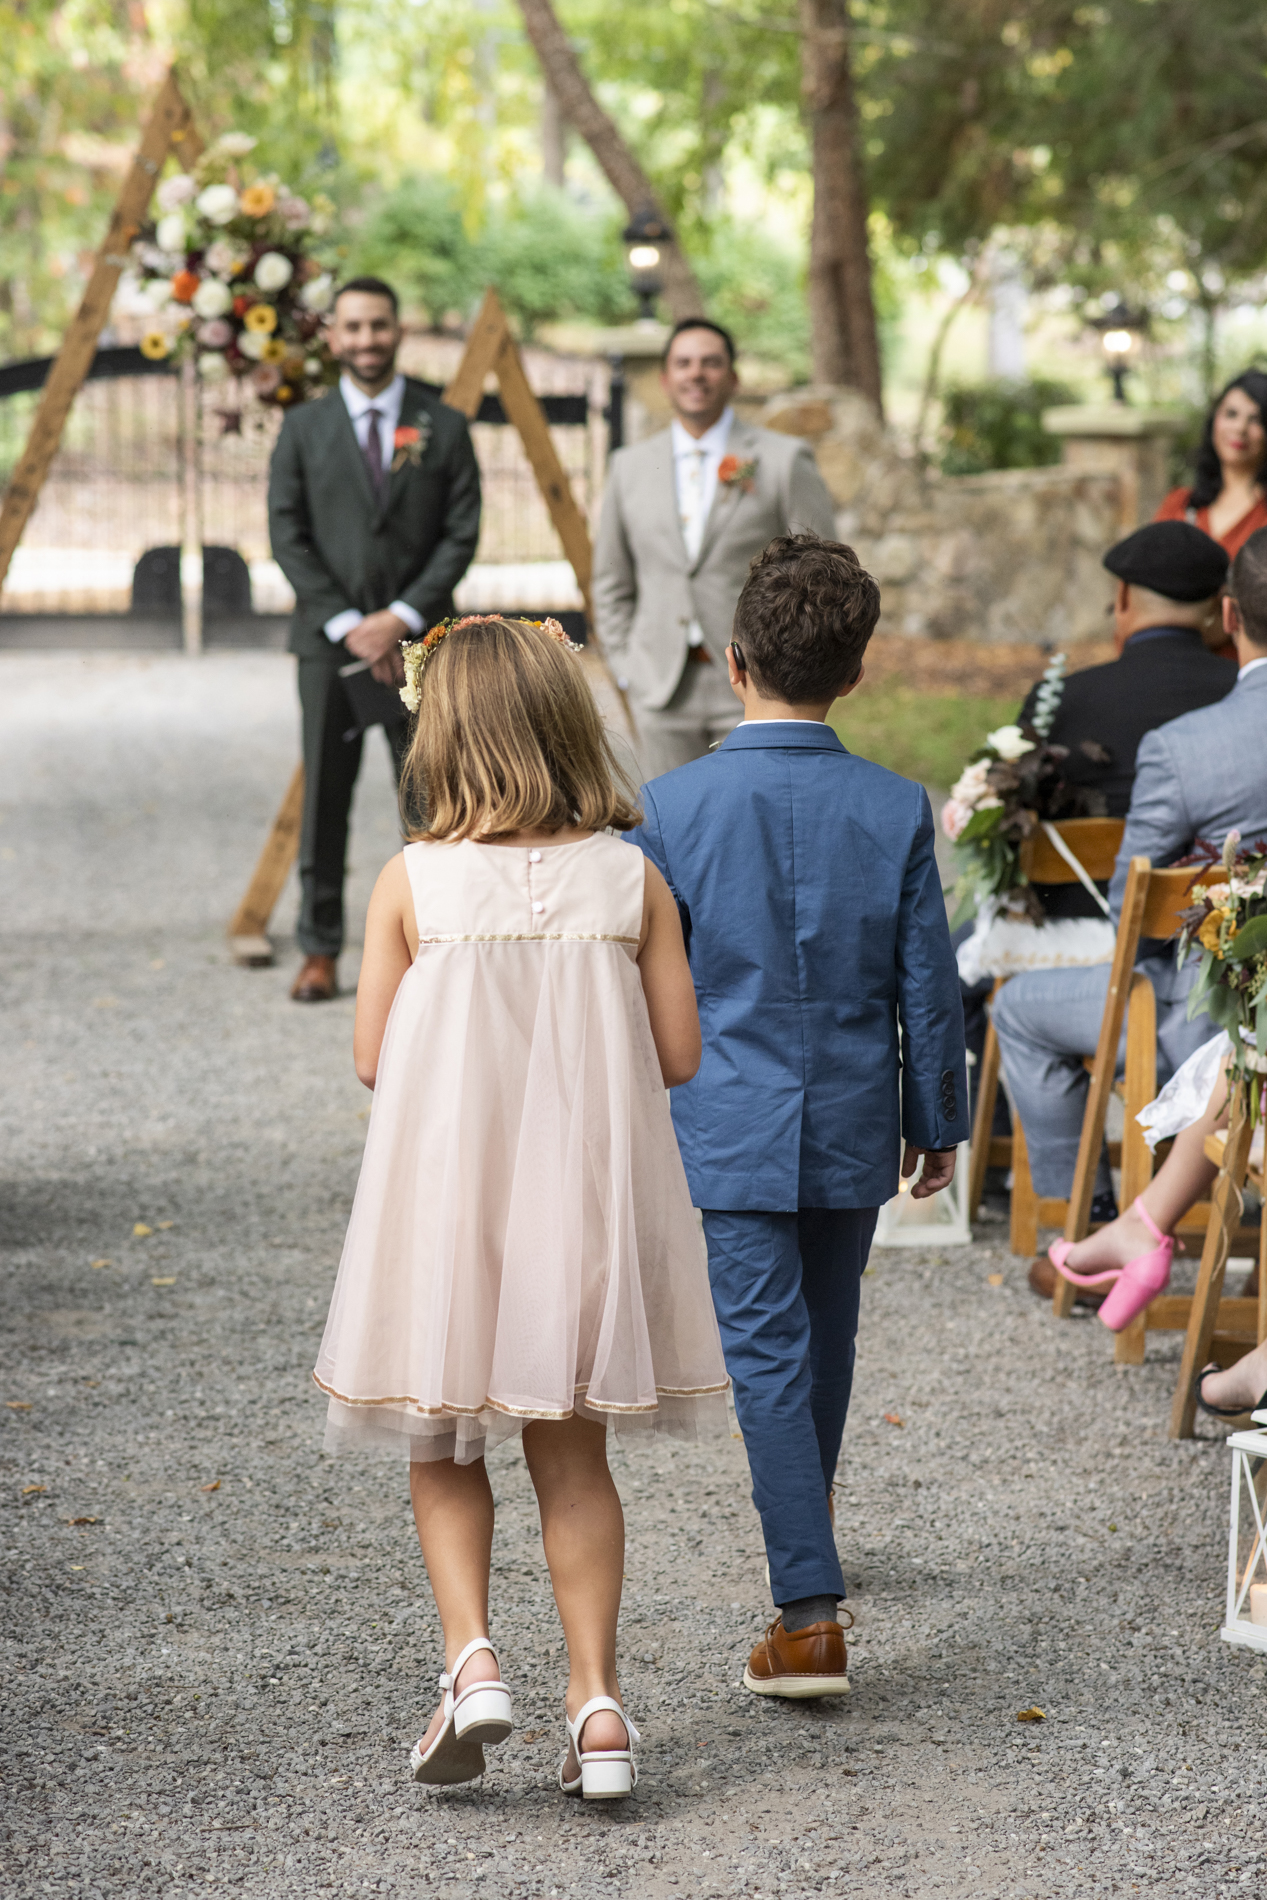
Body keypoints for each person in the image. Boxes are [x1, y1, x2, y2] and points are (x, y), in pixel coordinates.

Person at [312, 615, 728, 1797]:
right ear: (565, 720)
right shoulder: (628, 875)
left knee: (443, 1435)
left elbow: (371, 1055)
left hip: (452, 1204)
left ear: (440, 732)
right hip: (580, 1205)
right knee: (574, 1452)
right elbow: (681, 1053)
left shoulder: (414, 879)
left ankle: (472, 1657)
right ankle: (596, 1706)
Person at [628, 535, 969, 1697]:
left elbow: (643, 981)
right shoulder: (892, 804)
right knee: (825, 1338)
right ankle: (805, 1550)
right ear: (857, 671)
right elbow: (928, 979)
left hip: (723, 1113)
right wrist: (937, 1114)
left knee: (767, 1352)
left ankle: (809, 1607)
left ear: (732, 662)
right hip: (851, 1114)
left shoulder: (668, 808)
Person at [996, 527, 1267, 1304]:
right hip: (1247, 1033)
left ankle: (1093, 1222)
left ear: (1230, 613)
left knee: (1015, 1009)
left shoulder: (1184, 748)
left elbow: (1131, 915)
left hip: (1200, 1020)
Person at [268, 276, 481, 1004]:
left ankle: (435, 941)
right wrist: (349, 627)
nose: (366, 340)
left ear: (398, 330)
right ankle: (320, 947)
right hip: (329, 648)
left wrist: (399, 616)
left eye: (378, 326)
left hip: (421, 644)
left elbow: (460, 533)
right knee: (325, 793)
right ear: (333, 336)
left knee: (430, 793)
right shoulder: (303, 428)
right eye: (352, 328)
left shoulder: (442, 425)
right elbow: (286, 534)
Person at [591, 319, 837, 778]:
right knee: (670, 828)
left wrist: (789, 670)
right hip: (660, 687)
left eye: (710, 363)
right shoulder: (628, 468)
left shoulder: (783, 460)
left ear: (733, 378)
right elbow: (610, 578)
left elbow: (823, 575)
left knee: (751, 824)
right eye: (683, 363)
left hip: (760, 684)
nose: (696, 374)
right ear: (665, 380)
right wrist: (626, 665)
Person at [1156, 370, 1267, 563]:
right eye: (1231, 414)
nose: (1240, 428)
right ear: (1214, 421)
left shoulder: (1262, 515)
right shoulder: (1178, 505)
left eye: (1256, 419)